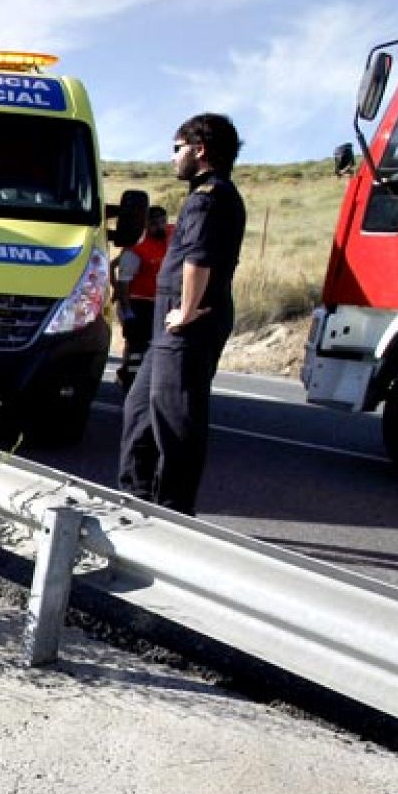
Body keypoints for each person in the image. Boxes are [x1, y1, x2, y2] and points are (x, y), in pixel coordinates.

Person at [118, 114, 246, 516]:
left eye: (178, 148)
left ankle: (172, 512)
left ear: (200, 149)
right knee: (140, 410)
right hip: (171, 322)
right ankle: (134, 500)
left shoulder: (211, 196)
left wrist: (186, 312)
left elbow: (198, 260)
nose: (174, 158)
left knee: (176, 417)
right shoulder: (203, 194)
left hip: (186, 322)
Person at [112, 205, 174, 393]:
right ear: (145, 225)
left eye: (163, 222)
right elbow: (123, 284)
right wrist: (127, 311)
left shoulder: (170, 237)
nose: (160, 227)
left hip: (161, 303)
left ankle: (133, 376)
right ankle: (130, 382)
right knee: (136, 346)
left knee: (154, 345)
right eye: (154, 224)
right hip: (137, 303)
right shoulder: (136, 250)